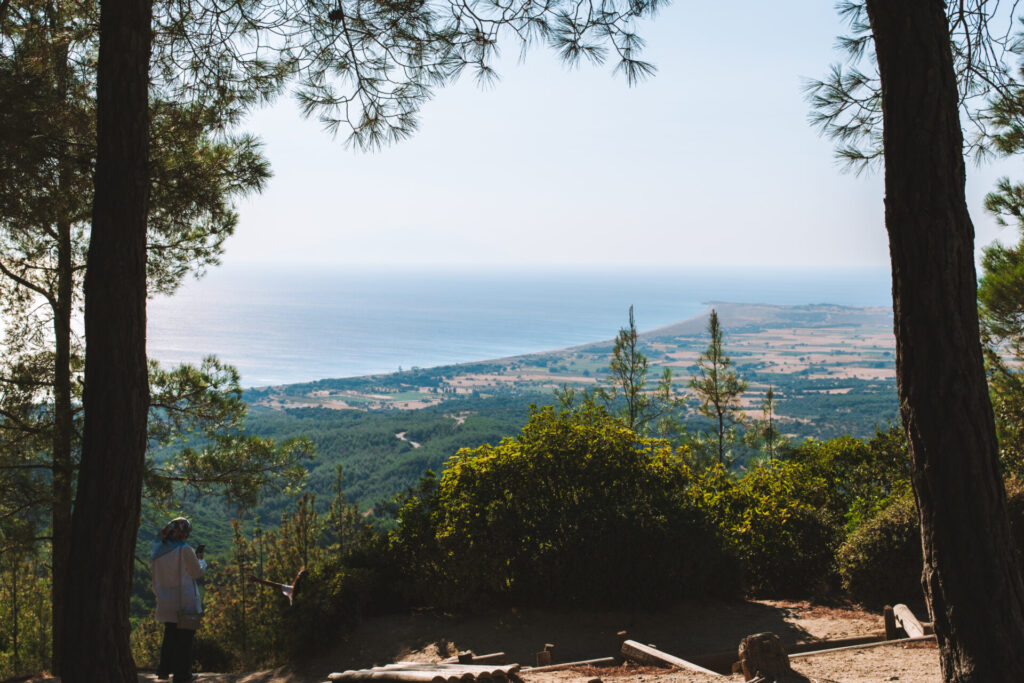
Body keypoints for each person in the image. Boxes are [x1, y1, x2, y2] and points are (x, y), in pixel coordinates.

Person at [151, 517, 206, 682]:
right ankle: (182, 674)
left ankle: (163, 670)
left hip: (165, 599)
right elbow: (197, 573)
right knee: (185, 639)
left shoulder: (157, 550)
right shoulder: (185, 550)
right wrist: (201, 560)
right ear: (184, 533)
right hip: (184, 601)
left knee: (169, 635)